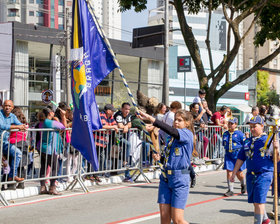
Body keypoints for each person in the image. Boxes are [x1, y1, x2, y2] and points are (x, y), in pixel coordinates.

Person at [138, 109, 194, 224]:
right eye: (175, 120)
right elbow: (171, 158)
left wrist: (151, 118)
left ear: (187, 123)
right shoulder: (171, 139)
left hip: (180, 178)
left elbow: (171, 130)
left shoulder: (187, 134)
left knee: (177, 219)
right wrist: (160, 158)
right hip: (165, 178)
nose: (176, 122)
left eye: (180, 120)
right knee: (164, 218)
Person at [230, 115, 279, 224]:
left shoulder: (269, 140)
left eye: (254, 126)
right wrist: (234, 173)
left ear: (262, 126)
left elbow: (276, 159)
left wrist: (276, 149)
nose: (252, 129)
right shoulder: (248, 141)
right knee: (255, 201)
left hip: (264, 174)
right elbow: (240, 158)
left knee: (259, 202)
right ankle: (266, 220)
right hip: (250, 175)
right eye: (250, 127)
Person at [39, 107, 65, 195]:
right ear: (50, 113)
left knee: (44, 167)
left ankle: (43, 187)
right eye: (52, 112)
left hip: (44, 148)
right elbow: (63, 126)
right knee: (55, 167)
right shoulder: (48, 122)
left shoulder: (43, 122)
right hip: (50, 148)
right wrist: (60, 118)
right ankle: (52, 188)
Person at [0, 100, 26, 182]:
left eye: (9, 106)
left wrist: (23, 127)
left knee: (18, 153)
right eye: (5, 105)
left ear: (12, 107)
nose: (7, 107)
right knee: (5, 164)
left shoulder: (13, 116)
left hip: (5, 143)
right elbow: (2, 126)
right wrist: (17, 127)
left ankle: (12, 176)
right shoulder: (0, 114)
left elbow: (19, 124)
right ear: (3, 106)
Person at [222, 117, 246, 197]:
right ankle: (230, 189)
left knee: (239, 173)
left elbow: (244, 144)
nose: (230, 125)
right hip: (229, 155)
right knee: (229, 172)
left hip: (237, 155)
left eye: (232, 123)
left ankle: (243, 184)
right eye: (229, 123)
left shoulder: (239, 134)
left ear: (236, 125)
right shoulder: (225, 134)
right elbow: (224, 144)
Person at [98, 104, 118, 177]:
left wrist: (113, 126)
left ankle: (103, 172)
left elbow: (115, 124)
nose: (113, 112)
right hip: (98, 139)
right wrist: (112, 127)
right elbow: (103, 126)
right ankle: (99, 173)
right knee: (100, 156)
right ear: (108, 111)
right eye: (112, 110)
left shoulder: (111, 116)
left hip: (105, 140)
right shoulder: (102, 115)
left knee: (105, 156)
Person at [114, 102, 132, 182]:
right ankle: (125, 162)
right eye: (125, 109)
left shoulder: (129, 115)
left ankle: (127, 174)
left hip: (124, 138)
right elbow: (120, 125)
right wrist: (125, 126)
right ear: (122, 109)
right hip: (116, 138)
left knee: (125, 154)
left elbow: (130, 124)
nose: (127, 111)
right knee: (128, 145)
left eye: (128, 109)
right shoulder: (118, 115)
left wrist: (126, 126)